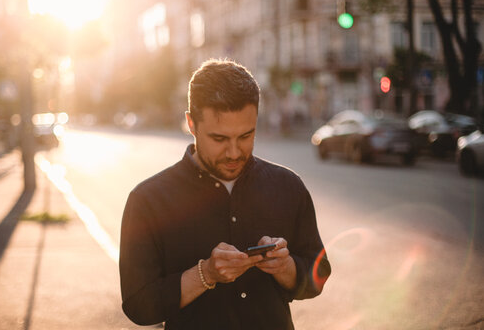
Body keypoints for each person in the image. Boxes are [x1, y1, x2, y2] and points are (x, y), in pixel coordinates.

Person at [119, 59, 331, 330]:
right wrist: (206, 274)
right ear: (191, 124)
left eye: (246, 135)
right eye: (219, 139)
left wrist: (286, 268)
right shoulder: (148, 200)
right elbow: (139, 306)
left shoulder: (289, 186)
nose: (233, 152)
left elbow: (319, 275)